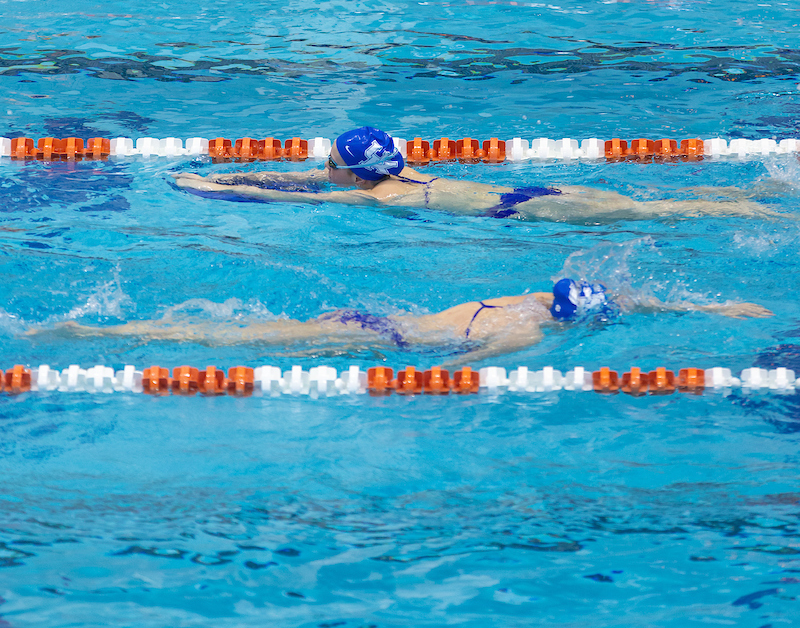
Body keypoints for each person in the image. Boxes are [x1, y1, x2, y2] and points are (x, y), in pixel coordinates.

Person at [28, 277, 771, 364]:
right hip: (366, 338)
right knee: (214, 339)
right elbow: (461, 372)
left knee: (222, 328)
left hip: (371, 317)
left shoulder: (529, 299)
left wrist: (712, 305)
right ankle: (85, 335)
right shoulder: (529, 333)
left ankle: (104, 333)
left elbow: (626, 300)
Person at [173, 126, 794, 226]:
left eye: (331, 161)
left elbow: (301, 199)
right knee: (647, 200)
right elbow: (312, 180)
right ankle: (762, 191)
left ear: (355, 173)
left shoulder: (378, 202)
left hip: (528, 212)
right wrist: (226, 174)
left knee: (656, 213)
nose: (321, 168)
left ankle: (764, 209)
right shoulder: (401, 173)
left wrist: (212, 187)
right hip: (534, 193)